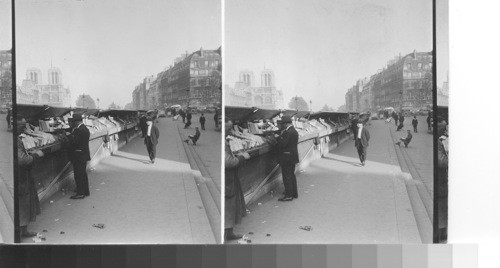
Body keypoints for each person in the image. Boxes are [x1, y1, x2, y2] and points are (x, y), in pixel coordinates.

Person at [224, 118, 250, 241]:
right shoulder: (223, 142)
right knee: (228, 206)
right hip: (227, 180)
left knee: (231, 206)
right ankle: (225, 235)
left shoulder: (225, 140)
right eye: (228, 128)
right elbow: (228, 162)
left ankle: (229, 233)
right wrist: (241, 158)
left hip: (230, 179)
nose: (230, 132)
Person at [17, 118, 44, 237]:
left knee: (24, 202)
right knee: (22, 202)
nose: (24, 129)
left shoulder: (17, 138)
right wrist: (36, 155)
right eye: (22, 126)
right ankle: (20, 232)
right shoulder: (15, 140)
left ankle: (23, 230)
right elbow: (22, 160)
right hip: (20, 176)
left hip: (22, 175)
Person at [66, 114, 91, 199]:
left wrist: (69, 135)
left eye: (73, 121)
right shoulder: (84, 128)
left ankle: (80, 193)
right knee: (83, 174)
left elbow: (75, 142)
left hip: (79, 155)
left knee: (78, 174)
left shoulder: (79, 130)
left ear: (77, 121)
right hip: (83, 155)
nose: (72, 123)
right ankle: (85, 191)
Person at [275, 115, 299, 201]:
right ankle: (293, 193)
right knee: (291, 175)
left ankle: (289, 195)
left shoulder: (288, 132)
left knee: (287, 176)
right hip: (292, 156)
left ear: (286, 124)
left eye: (282, 124)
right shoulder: (293, 130)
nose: (281, 125)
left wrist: (277, 137)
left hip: (287, 157)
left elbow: (283, 144)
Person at [435, 121, 448, 242]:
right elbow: (442, 162)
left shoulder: (439, 140)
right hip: (440, 184)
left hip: (440, 184)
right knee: (441, 213)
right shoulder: (437, 142)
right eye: (443, 128)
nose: (444, 130)